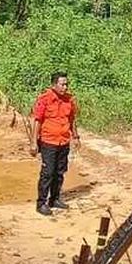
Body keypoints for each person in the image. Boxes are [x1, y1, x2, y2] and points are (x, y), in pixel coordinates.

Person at [29, 71, 78, 216]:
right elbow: (37, 120)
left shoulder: (69, 100)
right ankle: (41, 203)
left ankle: (55, 199)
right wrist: (33, 142)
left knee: (60, 172)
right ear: (54, 85)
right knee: (47, 173)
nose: (65, 87)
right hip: (48, 142)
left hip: (63, 141)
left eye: (66, 84)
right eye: (62, 84)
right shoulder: (45, 99)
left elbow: (72, 119)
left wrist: (75, 136)